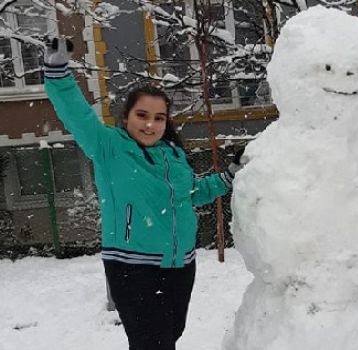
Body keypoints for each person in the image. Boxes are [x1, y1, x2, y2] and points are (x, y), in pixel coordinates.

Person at [43, 37, 243, 350]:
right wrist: (57, 72)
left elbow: (191, 193)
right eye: (142, 115)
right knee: (152, 342)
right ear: (126, 117)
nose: (150, 124)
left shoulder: (173, 156)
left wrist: (229, 177)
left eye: (159, 118)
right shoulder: (109, 146)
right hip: (132, 267)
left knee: (171, 334)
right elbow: (76, 113)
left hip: (180, 264)